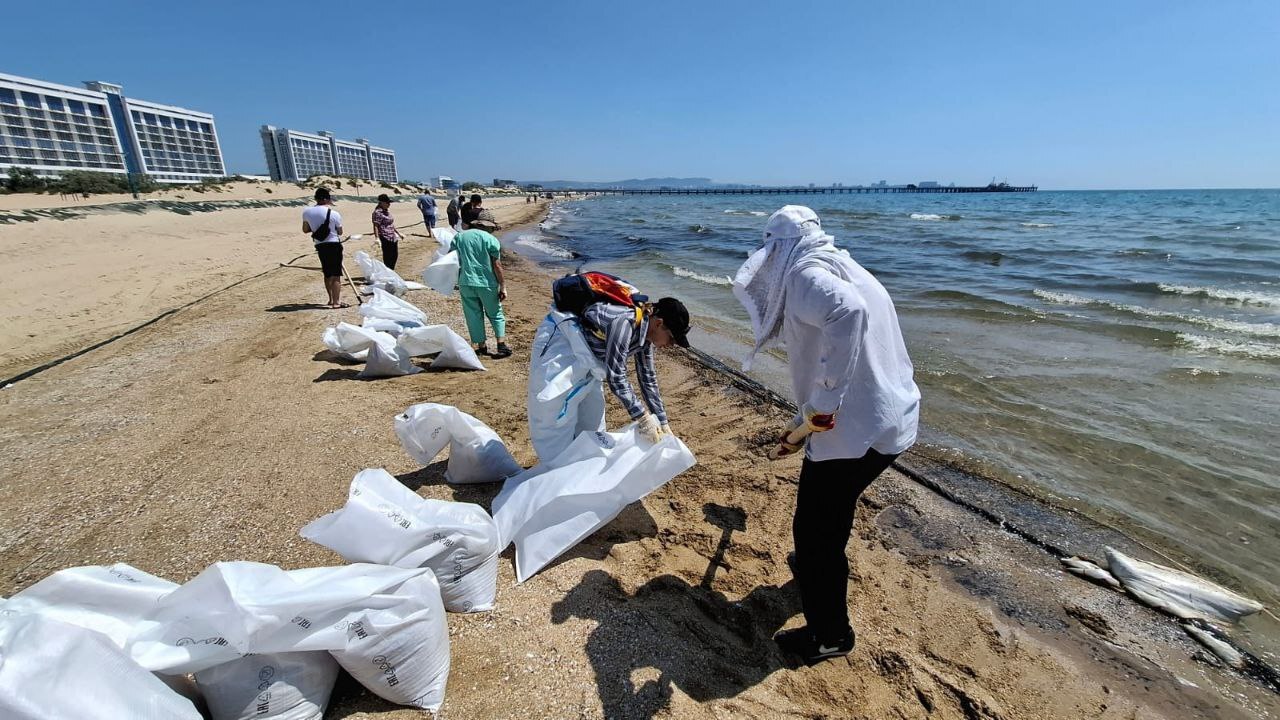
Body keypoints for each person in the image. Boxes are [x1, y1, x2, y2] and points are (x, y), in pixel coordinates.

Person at [733, 205, 919, 666]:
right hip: (893, 419)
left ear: (778, 249)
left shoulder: (804, 274)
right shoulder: (847, 266)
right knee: (833, 511)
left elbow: (847, 312)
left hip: (849, 430)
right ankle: (813, 573)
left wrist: (824, 403)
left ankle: (831, 635)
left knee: (815, 531)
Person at [527, 271, 691, 462]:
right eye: (671, 338)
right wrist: (643, 417)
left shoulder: (645, 336)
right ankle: (555, 467)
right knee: (553, 413)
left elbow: (647, 378)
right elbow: (616, 376)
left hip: (588, 357)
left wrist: (662, 421)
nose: (671, 345)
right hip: (563, 343)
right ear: (659, 323)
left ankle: (580, 465)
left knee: (592, 421)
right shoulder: (625, 323)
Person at [452, 211, 511, 358]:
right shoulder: (490, 239)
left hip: (465, 282)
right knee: (495, 313)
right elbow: (497, 265)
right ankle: (501, 345)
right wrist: (503, 286)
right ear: (487, 226)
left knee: (473, 314)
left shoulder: (459, 237)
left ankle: (481, 346)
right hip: (487, 283)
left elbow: (453, 260)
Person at [301, 187, 346, 308]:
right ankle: (336, 302)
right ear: (327, 199)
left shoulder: (307, 212)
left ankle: (330, 299)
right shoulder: (334, 213)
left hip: (320, 245)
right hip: (333, 244)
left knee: (327, 273)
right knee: (336, 274)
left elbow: (305, 229)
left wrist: (316, 228)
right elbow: (340, 232)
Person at [371, 193, 402, 270]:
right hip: (385, 236)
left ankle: (391, 270)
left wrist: (398, 233)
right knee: (388, 256)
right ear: (382, 203)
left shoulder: (386, 211)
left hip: (392, 236)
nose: (389, 204)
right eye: (387, 203)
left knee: (394, 255)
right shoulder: (378, 212)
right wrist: (377, 238)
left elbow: (391, 224)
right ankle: (388, 271)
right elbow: (376, 225)